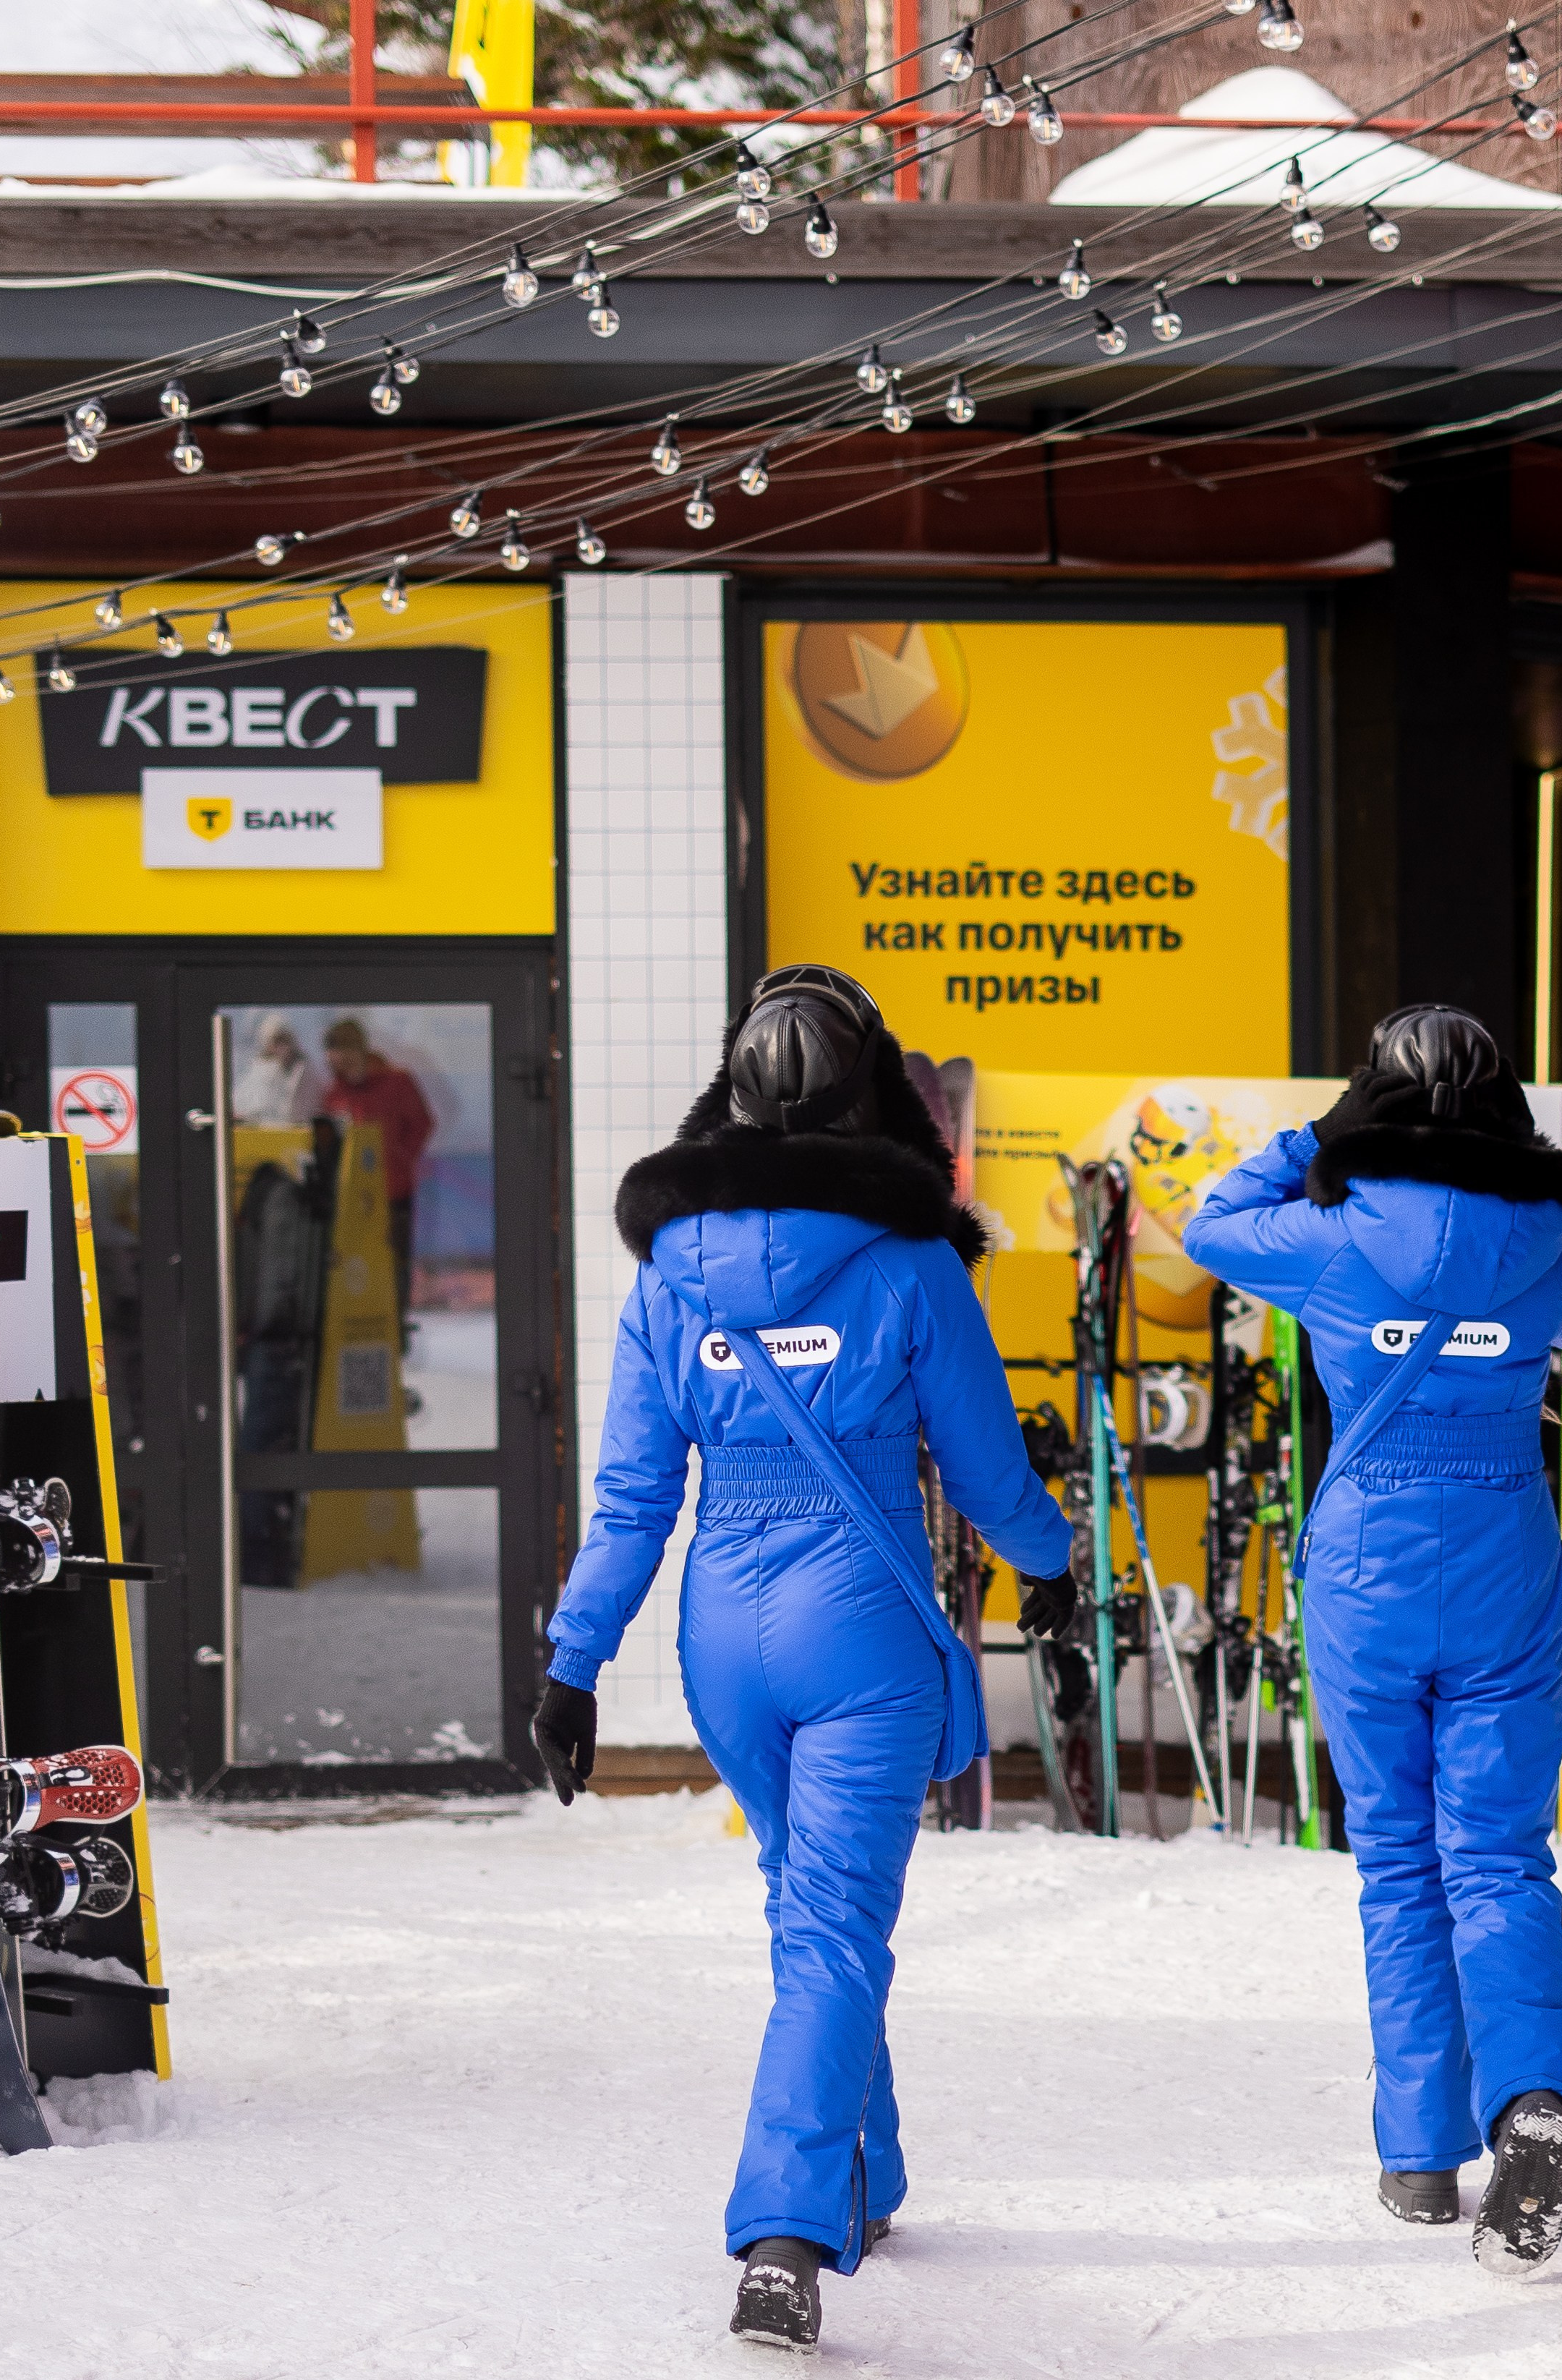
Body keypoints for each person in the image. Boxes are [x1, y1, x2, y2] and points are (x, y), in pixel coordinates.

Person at [532, 965, 1078, 2353]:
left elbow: (630, 1500)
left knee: (809, 1915)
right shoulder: (910, 1266)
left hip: (724, 1631)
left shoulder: (670, 1272)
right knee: (833, 1929)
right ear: (872, 1098)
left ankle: (860, 2180)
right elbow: (987, 1469)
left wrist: (573, 1663)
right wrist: (1059, 1576)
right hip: (861, 1631)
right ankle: (782, 2234)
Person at [1182, 1005, 1562, 2275]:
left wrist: (1321, 1133)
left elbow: (1207, 1218)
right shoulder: (1550, 1246)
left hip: (1369, 1570)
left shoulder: (1326, 1237)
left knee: (1395, 1862)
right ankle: (1531, 2098)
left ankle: (1421, 2159)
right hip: (1504, 1560)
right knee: (1496, 1855)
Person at [320, 1017, 435, 1330]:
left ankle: (395, 1326)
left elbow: (422, 1123)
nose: (337, 1065)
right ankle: (363, 1325)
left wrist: (402, 1157)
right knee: (358, 1265)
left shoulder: (397, 1082)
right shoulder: (334, 1094)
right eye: (333, 1059)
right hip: (352, 1199)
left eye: (342, 1056)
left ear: (357, 1051)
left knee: (395, 1263)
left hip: (393, 1190)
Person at [233, 1013, 321, 1127]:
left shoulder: (307, 1072)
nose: (282, 1047)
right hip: (266, 1134)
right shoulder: (258, 1073)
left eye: (285, 1040)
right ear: (267, 1044)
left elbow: (313, 1109)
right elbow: (246, 1108)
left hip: (298, 1134)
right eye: (277, 1041)